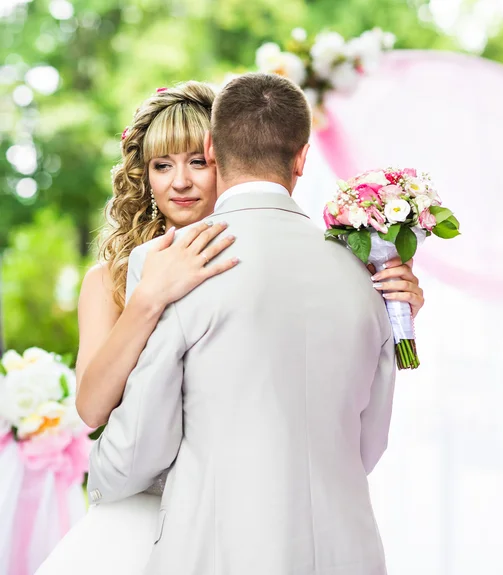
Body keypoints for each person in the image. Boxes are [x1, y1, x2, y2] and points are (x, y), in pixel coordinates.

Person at [37, 79, 424, 574]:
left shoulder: (272, 257)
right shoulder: (124, 272)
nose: (181, 181)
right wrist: (149, 299)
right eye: (161, 165)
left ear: (221, 157)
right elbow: (93, 409)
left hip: (217, 521)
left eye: (197, 162)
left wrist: (399, 318)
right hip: (165, 516)